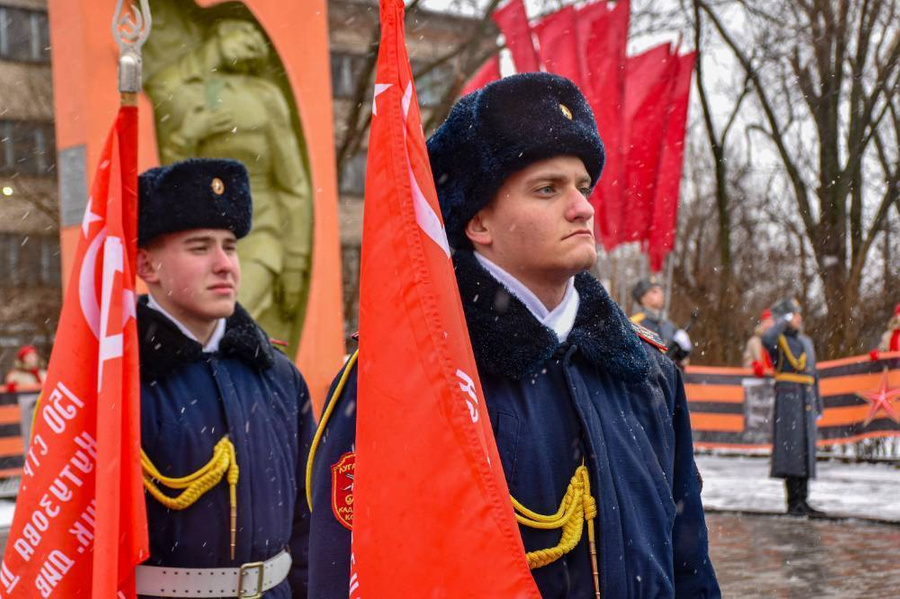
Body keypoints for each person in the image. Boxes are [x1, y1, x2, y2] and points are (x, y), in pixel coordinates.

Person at [306, 73, 719, 598]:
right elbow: (355, 573)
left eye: (583, 187)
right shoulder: (407, 377)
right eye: (548, 189)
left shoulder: (648, 372)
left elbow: (689, 568)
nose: (582, 208)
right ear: (479, 223)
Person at [133, 158, 314, 598]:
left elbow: (309, 524)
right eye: (199, 248)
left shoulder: (279, 376)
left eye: (229, 246)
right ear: (147, 266)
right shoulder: (121, 382)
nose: (224, 265)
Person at [761, 297, 824, 517]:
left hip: (806, 399)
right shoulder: (778, 339)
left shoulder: (806, 341)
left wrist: (819, 405)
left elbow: (813, 374)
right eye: (794, 315)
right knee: (791, 452)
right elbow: (766, 339)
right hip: (788, 401)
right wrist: (781, 321)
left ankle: (804, 500)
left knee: (805, 451)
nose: (799, 319)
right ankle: (793, 502)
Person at [630, 279, 693, 367]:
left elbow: (682, 363)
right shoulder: (635, 323)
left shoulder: (670, 326)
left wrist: (684, 351)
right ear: (642, 298)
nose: (661, 294)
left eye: (661, 291)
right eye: (654, 291)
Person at [743, 309, 775, 376]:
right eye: (767, 321)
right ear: (762, 323)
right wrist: (754, 366)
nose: (769, 323)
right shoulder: (754, 342)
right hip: (759, 380)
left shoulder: (781, 341)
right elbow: (747, 362)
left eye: (772, 320)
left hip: (777, 379)